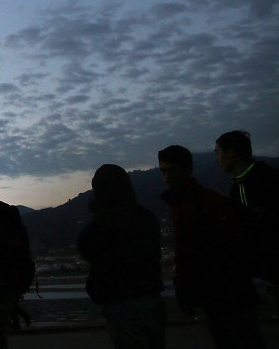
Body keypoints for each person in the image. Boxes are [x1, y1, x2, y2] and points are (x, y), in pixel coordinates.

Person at [158, 144, 266, 349]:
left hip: (228, 291)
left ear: (187, 171)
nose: (166, 177)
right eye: (163, 171)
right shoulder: (182, 204)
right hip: (216, 293)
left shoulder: (206, 202)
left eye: (171, 170)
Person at [77, 164, 165, 349]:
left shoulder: (103, 220)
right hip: (152, 297)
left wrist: (97, 211)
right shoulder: (147, 216)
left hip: (120, 301)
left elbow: (85, 246)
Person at [215, 130, 279, 284]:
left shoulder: (265, 181)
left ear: (230, 153)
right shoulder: (240, 184)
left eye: (218, 153)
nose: (216, 160)